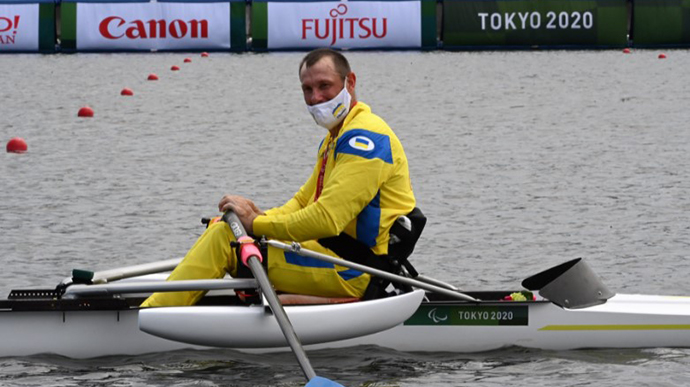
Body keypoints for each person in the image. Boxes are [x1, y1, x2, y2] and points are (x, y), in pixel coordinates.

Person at [141, 48, 416, 307]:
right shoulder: (337, 137)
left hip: (355, 272)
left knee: (227, 239)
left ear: (350, 82)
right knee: (225, 229)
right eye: (307, 89)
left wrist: (258, 225)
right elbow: (302, 201)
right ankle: (167, 303)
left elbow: (326, 219)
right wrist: (258, 218)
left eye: (324, 86)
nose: (315, 98)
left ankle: (148, 315)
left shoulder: (365, 140)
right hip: (336, 257)